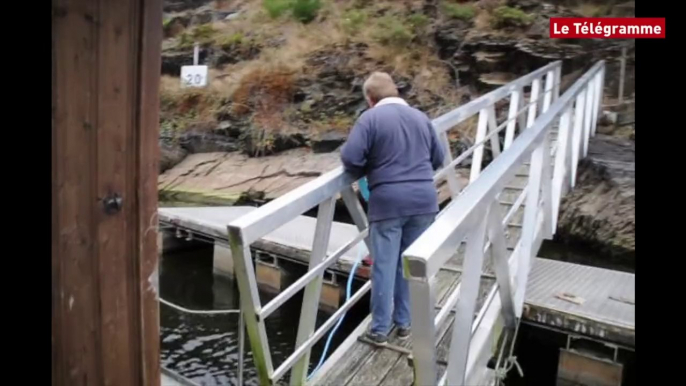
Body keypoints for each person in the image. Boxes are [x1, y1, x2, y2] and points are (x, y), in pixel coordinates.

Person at [340, 71, 445, 344]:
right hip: (424, 201)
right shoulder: (421, 118)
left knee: (385, 266)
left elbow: (351, 158)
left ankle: (379, 330)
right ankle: (405, 324)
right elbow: (438, 157)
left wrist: (373, 168)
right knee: (410, 266)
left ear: (370, 99)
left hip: (388, 202)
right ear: (395, 92)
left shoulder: (370, 118)